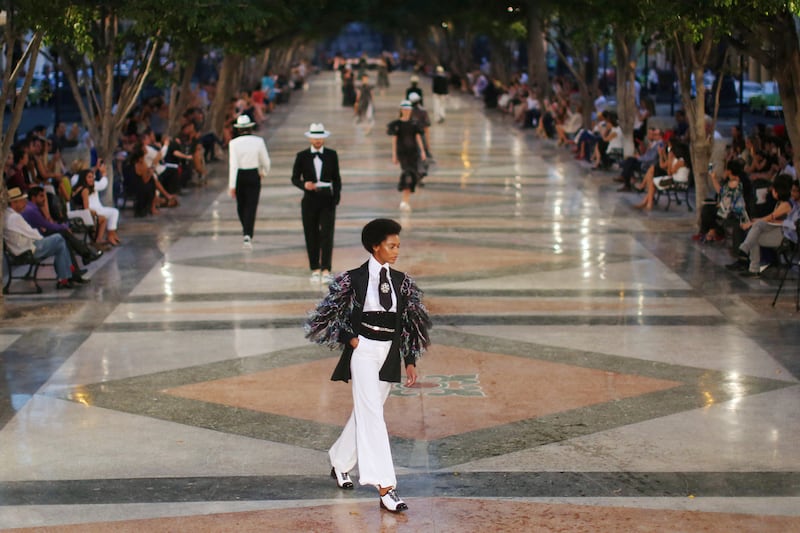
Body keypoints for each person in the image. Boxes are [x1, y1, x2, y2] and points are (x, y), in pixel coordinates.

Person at [305, 218, 431, 514]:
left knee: (367, 411)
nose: (397, 250)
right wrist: (351, 339)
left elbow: (410, 325)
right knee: (373, 415)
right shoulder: (352, 279)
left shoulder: (402, 282)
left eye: (398, 245)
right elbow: (324, 316)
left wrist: (409, 361)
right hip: (363, 351)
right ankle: (385, 487)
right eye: (391, 245)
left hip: (388, 353)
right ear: (375, 246)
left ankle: (339, 460)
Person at [291, 123, 342, 284]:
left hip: (327, 197)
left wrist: (336, 197)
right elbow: (294, 178)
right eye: (315, 137)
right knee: (310, 233)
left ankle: (326, 268)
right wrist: (304, 185)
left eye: (320, 137)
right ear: (310, 138)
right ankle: (314, 268)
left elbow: (337, 178)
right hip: (309, 199)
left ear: (323, 138)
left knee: (327, 234)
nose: (318, 140)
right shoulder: (302, 156)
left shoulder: (332, 155)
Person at [4, 187, 77, 289]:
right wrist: (41, 237)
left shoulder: (8, 215)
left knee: (60, 244)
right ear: (14, 203)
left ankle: (65, 277)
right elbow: (32, 233)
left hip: (22, 247)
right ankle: (68, 272)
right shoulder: (14, 217)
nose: (25, 203)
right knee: (58, 238)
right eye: (22, 201)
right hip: (26, 250)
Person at [22, 185, 102, 272]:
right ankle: (85, 255)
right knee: (63, 233)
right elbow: (47, 225)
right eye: (41, 196)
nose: (44, 199)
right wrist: (63, 226)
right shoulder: (31, 210)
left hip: (40, 234)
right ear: (34, 198)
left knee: (65, 238)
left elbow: (47, 222)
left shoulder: (33, 208)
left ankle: (77, 268)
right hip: (37, 239)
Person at [737, 174, 794, 277]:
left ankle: (747, 253)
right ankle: (752, 266)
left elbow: (771, 217)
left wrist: (752, 223)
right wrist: (755, 222)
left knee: (755, 231)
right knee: (755, 230)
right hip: (776, 231)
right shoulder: (780, 203)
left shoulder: (786, 205)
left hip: (783, 236)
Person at [228, 114, 271, 249]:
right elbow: (266, 162)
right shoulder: (258, 141)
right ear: (250, 127)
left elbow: (233, 165)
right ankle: (248, 232)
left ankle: (246, 231)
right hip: (253, 174)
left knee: (241, 205)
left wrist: (232, 185)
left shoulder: (233, 143)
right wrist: (263, 173)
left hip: (240, 175)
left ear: (239, 129)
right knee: (252, 205)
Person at [387, 100, 427, 211]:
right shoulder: (397, 125)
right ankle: (404, 201)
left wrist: (423, 151)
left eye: (408, 109)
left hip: (413, 153)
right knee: (407, 174)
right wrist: (394, 154)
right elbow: (394, 140)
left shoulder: (414, 124)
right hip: (403, 154)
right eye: (405, 109)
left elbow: (418, 138)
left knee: (412, 174)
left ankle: (406, 200)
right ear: (401, 110)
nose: (407, 111)